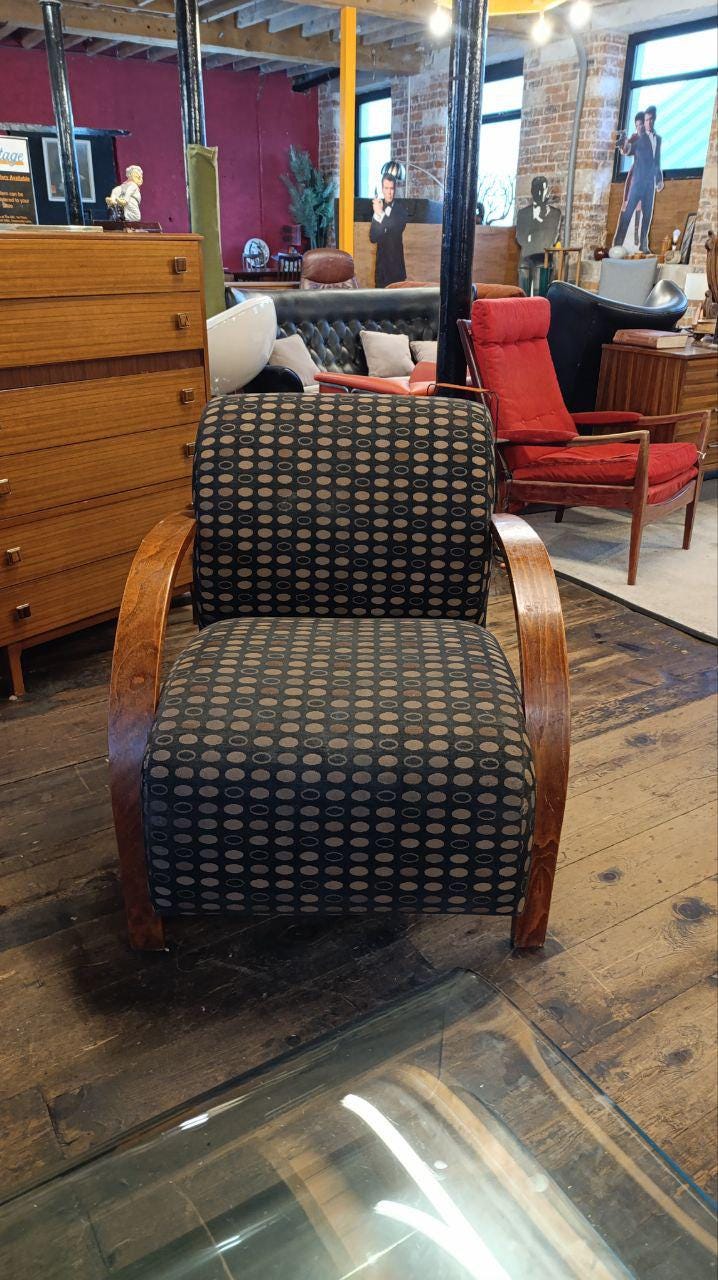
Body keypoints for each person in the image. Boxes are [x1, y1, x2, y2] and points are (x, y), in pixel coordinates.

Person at [614, 105, 663, 253]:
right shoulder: (640, 138)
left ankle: (643, 245)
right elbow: (629, 148)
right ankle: (617, 244)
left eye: (650, 119)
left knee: (647, 216)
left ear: (654, 119)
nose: (648, 123)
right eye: (646, 120)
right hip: (637, 184)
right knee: (627, 214)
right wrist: (623, 144)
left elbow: (656, 161)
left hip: (649, 185)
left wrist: (659, 179)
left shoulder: (658, 139)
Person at [370, 175, 408, 287]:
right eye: (386, 188)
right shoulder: (379, 208)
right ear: (382, 189)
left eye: (391, 188)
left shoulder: (401, 210)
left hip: (396, 271)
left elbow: (394, 231)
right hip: (381, 271)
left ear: (395, 189)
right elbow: (373, 238)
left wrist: (380, 213)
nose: (389, 192)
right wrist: (377, 215)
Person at [619, 111, 646, 248]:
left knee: (640, 205)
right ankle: (621, 235)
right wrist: (623, 143)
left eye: (641, 124)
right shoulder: (635, 137)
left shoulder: (651, 138)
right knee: (629, 203)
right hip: (636, 174)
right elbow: (626, 149)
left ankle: (636, 234)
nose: (639, 127)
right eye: (637, 125)